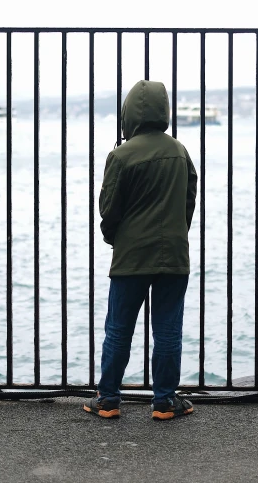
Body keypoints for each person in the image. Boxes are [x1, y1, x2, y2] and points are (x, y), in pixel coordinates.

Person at [84, 79, 198, 420]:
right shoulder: (179, 151)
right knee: (168, 331)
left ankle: (108, 400)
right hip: (173, 255)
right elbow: (188, 201)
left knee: (118, 329)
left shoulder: (120, 155)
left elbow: (109, 209)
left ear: (128, 113)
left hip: (131, 256)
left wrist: (114, 238)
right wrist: (177, 233)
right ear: (165, 111)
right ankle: (164, 403)